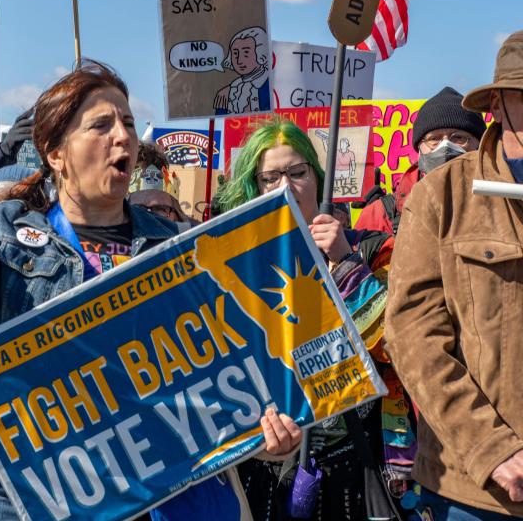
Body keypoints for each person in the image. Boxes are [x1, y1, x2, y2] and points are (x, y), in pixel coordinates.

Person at [0, 62, 303, 519]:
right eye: (101, 125)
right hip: (47, 492)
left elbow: (223, 372)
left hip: (159, 491)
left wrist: (266, 438)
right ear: (55, 153)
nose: (123, 136)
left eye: (126, 123)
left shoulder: (178, 246)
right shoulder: (9, 230)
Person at [189, 119, 405, 521]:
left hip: (356, 469)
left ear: (318, 179)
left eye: (297, 172)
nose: (285, 186)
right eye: (270, 177)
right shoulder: (232, 268)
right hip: (268, 471)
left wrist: (345, 262)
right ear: (253, 187)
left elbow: (400, 346)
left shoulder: (371, 249)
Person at [386, 31, 523, 519]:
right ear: (502, 104)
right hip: (478, 493)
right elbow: (412, 334)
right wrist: (490, 448)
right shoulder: (443, 196)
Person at [356, 86, 486, 235]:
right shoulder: (381, 215)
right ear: (419, 149)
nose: (445, 145)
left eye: (458, 137)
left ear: (480, 145)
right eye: (434, 139)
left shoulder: (505, 204)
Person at [128, 142, 193, 227]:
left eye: (158, 209)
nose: (149, 216)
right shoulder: (110, 237)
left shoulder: (188, 237)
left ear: (173, 213)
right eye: (139, 208)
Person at [213, 26, 271, 114]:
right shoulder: (228, 92)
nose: (239, 60)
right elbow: (221, 118)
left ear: (260, 53)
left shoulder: (271, 85)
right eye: (235, 53)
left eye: (246, 52)